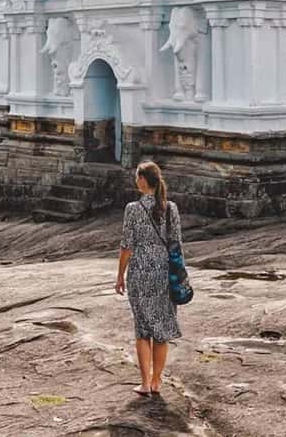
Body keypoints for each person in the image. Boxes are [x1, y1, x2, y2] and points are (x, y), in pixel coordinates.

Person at [115, 160, 183, 397]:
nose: (136, 182)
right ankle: (156, 381)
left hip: (140, 273)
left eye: (137, 177)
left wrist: (119, 276)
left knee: (143, 330)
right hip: (164, 273)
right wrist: (179, 273)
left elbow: (126, 246)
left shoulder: (132, 209)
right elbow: (176, 243)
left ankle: (144, 383)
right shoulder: (171, 208)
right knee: (161, 330)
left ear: (143, 181)